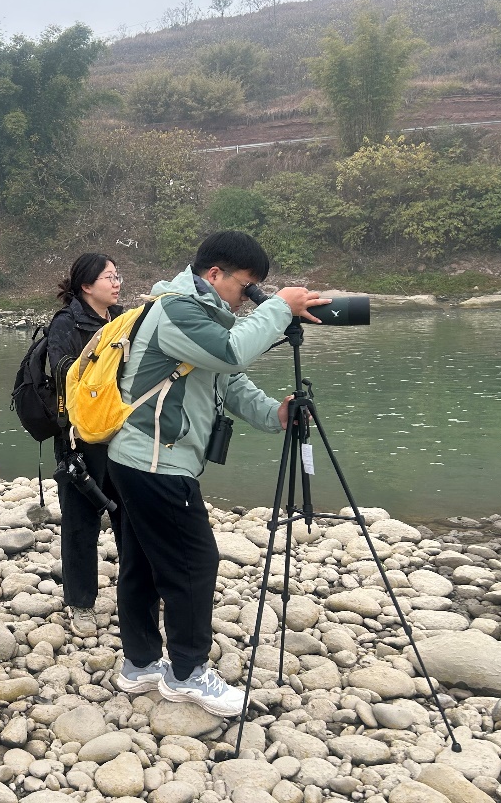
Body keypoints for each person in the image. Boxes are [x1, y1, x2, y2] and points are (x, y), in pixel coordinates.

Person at [106, 231, 325, 716]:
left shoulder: (199, 314)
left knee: (143, 562)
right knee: (193, 563)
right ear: (214, 274)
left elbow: (229, 377)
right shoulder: (176, 310)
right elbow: (231, 352)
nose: (248, 298)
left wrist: (274, 415)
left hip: (141, 458)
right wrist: (280, 307)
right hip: (157, 462)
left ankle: (140, 664)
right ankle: (186, 674)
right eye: (246, 286)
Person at [46, 253, 124, 637]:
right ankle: (80, 602)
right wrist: (100, 353)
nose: (117, 282)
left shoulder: (121, 319)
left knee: (130, 516)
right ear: (87, 286)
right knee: (80, 523)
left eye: (117, 275)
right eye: (109, 277)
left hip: (122, 433)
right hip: (79, 438)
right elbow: (63, 373)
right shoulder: (66, 322)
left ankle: (137, 591)